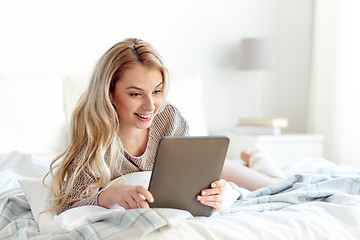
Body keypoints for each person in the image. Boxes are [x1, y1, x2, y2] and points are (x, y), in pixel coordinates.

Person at [45, 38, 282, 214]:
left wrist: (219, 193)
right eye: (136, 94)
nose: (151, 106)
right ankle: (249, 159)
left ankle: (255, 156)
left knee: (277, 186)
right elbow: (68, 205)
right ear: (109, 93)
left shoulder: (169, 117)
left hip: (212, 165)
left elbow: (193, 176)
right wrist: (107, 196)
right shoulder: (93, 134)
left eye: (157, 91)